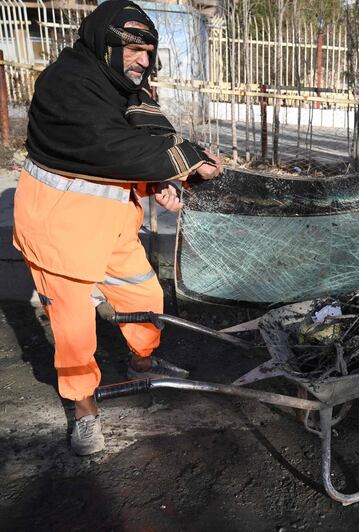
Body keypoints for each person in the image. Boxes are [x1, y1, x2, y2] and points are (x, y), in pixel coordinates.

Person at [13, 0, 223, 456]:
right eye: (134, 50)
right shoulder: (66, 84)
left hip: (110, 227)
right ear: (104, 43)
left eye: (148, 52)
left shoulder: (123, 87)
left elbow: (144, 143)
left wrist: (164, 182)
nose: (144, 62)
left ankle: (142, 360)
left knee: (145, 297)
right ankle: (84, 411)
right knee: (74, 333)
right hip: (59, 233)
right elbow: (105, 147)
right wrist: (187, 160)